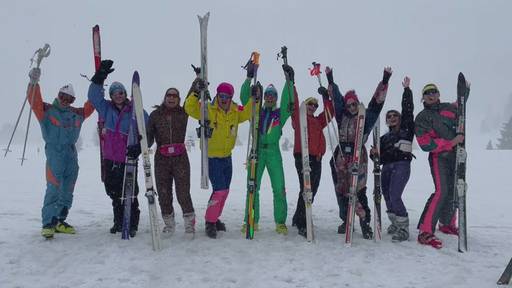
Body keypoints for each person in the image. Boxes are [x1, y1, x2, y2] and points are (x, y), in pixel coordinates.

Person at [27, 67, 95, 239]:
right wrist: (33, 83)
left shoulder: (76, 114)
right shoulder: (47, 110)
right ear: (58, 95)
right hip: (55, 154)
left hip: (71, 156)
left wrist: (97, 83)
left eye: (69, 98)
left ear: (72, 100)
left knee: (68, 190)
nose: (65, 101)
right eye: (63, 96)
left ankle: (59, 220)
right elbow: (34, 100)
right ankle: (48, 223)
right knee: (53, 188)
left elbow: (92, 104)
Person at [184, 74, 253, 239]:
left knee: (224, 190)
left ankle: (214, 218)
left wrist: (254, 98)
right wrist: (195, 91)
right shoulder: (207, 109)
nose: (223, 99)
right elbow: (189, 108)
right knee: (220, 190)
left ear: (230, 98)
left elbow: (249, 112)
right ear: (217, 95)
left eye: (226, 96)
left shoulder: (236, 111)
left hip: (227, 157)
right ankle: (210, 222)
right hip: (212, 157)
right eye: (221, 96)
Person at [330, 67, 391, 240]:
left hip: (358, 156)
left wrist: (385, 81)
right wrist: (330, 79)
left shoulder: (366, 118)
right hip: (342, 157)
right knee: (342, 190)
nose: (350, 107)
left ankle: (365, 222)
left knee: (358, 189)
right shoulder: (342, 117)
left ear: (357, 103)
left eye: (353, 104)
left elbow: (376, 104)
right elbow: (336, 100)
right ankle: (346, 219)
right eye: (348, 104)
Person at [87, 60, 147, 237]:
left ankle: (132, 223)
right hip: (111, 159)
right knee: (113, 193)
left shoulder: (136, 111)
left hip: (128, 158)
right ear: (111, 96)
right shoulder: (105, 109)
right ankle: (118, 221)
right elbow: (93, 96)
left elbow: (148, 130)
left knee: (130, 192)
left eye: (121, 92)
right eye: (114, 93)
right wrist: (100, 77)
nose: (118, 95)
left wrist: (140, 146)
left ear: (125, 93)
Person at [240, 63, 294, 235]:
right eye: (268, 95)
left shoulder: (280, 114)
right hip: (257, 152)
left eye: (273, 95)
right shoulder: (255, 110)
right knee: (252, 187)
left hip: (274, 153)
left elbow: (288, 100)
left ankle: (280, 222)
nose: (270, 97)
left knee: (279, 188)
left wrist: (289, 81)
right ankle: (251, 220)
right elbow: (243, 98)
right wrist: (249, 79)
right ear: (264, 97)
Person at [414, 79, 469, 249]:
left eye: (434, 92)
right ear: (423, 98)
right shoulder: (422, 118)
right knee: (442, 191)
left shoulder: (449, 108)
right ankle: (425, 231)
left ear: (438, 94)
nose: (431, 95)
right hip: (439, 157)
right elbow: (425, 143)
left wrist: (465, 89)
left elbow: (461, 102)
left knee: (454, 191)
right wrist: (451, 142)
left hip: (457, 156)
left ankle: (446, 223)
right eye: (427, 93)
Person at [290, 67, 334, 238]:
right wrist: (292, 83)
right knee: (307, 189)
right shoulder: (299, 119)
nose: (313, 107)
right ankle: (302, 221)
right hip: (303, 156)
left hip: (317, 158)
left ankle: (298, 217)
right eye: (310, 104)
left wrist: (326, 97)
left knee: (312, 189)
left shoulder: (317, 121)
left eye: (315, 105)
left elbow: (330, 113)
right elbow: (295, 105)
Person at [370, 76, 414, 242]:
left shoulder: (407, 129)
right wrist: (373, 153)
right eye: (389, 116)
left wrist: (407, 91)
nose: (392, 118)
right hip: (387, 167)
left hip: (401, 165)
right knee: (387, 196)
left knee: (395, 195)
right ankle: (395, 223)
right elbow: (378, 159)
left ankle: (403, 228)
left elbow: (408, 111)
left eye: (395, 115)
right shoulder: (384, 138)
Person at [147, 87, 195, 237]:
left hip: (180, 158)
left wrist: (197, 80)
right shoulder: (155, 115)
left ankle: (189, 225)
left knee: (183, 193)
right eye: (169, 95)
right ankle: (169, 225)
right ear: (165, 97)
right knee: (164, 193)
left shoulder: (183, 112)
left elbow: (190, 97)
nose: (171, 98)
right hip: (162, 159)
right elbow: (148, 138)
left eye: (175, 96)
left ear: (179, 99)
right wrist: (141, 140)